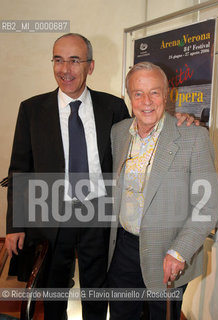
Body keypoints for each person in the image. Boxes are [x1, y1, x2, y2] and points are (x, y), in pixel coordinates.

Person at [5, 34, 196, 320]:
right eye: (58, 60)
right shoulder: (31, 110)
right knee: (53, 288)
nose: (65, 69)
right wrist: (15, 224)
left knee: (97, 288)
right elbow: (20, 169)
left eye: (74, 61)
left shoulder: (113, 107)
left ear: (90, 66)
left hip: (100, 214)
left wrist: (180, 119)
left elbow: (147, 126)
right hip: (50, 213)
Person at [108, 62, 218, 320]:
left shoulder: (193, 137)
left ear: (167, 94)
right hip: (123, 250)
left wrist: (179, 251)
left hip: (168, 252)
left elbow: (208, 206)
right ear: (129, 96)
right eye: (138, 93)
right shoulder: (119, 133)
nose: (146, 101)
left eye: (154, 92)